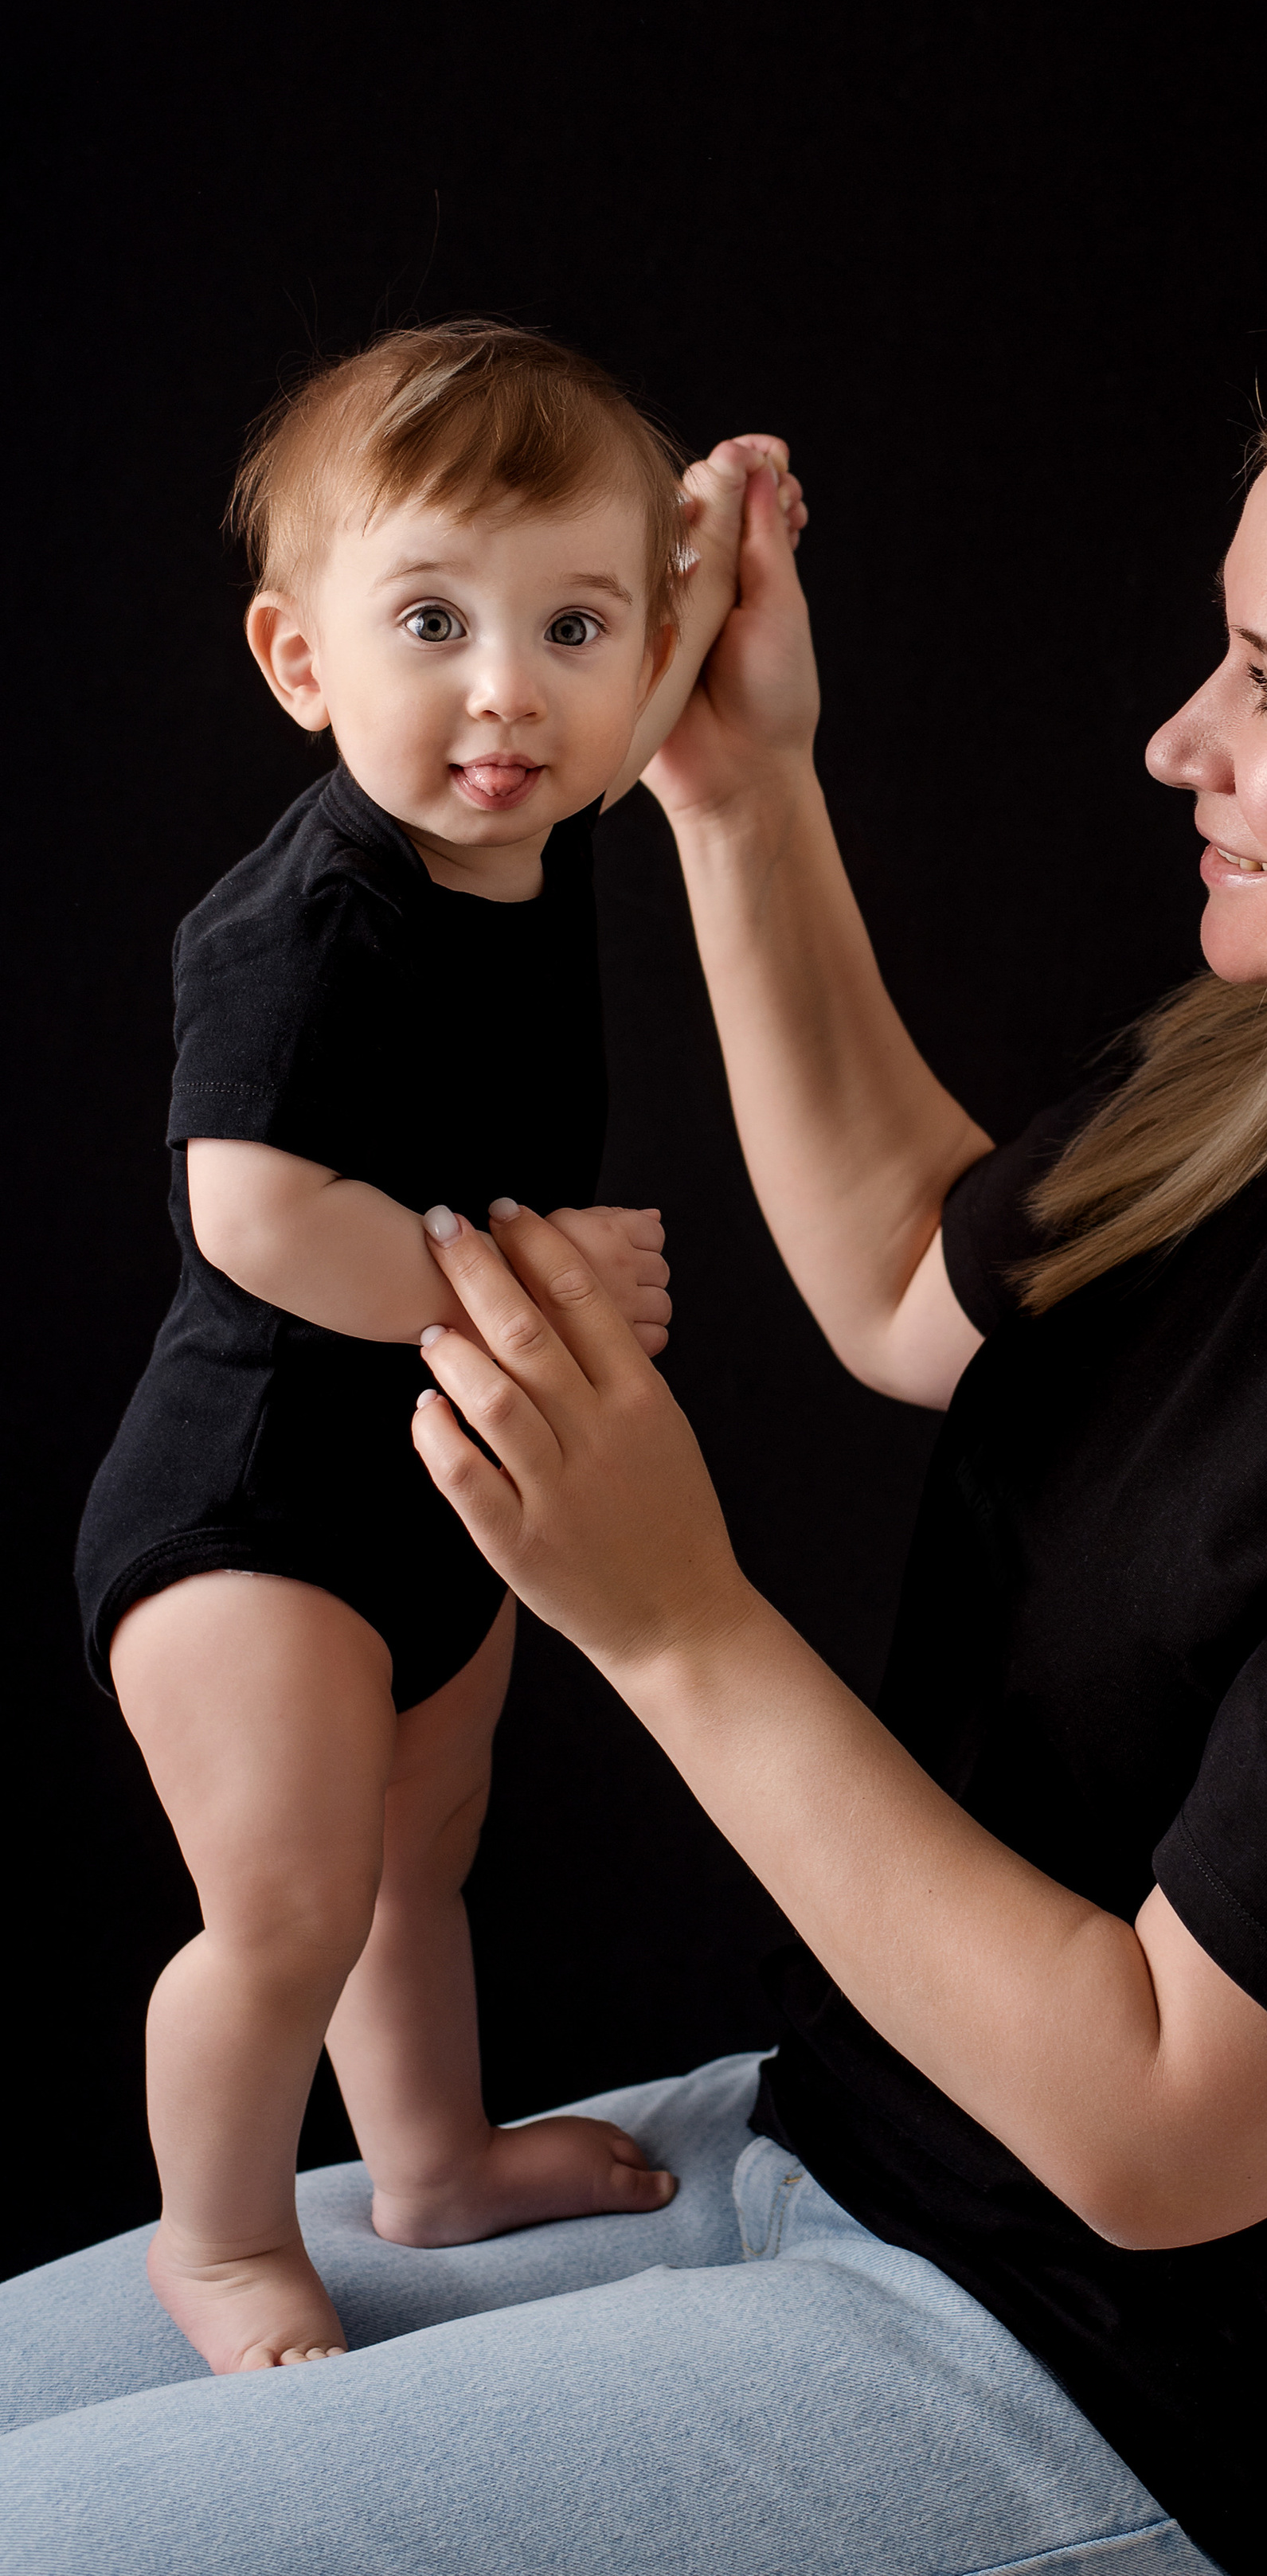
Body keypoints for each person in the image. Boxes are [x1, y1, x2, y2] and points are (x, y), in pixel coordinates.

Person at [4, 314, 1267, 2574]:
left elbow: (1158, 2127)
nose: (1178, 736)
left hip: (1116, 2384)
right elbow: (922, 1279)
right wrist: (738, 783)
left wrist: (677, 1621)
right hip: (847, 2154)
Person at [67, 323, 800, 2377]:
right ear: (302, 664)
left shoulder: (528, 814)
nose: (510, 690)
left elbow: (641, 682)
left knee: (422, 1852)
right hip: (249, 1503)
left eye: (570, 626)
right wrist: (518, 1287)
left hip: (419, 1479)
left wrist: (713, 549)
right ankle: (213, 2244)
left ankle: (432, 2166)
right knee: (289, 1904)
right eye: (431, 623)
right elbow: (256, 1218)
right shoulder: (295, 924)